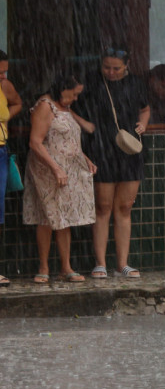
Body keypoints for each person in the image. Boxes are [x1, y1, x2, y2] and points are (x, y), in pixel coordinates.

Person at [77, 46, 148, 279]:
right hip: (101, 147)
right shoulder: (91, 81)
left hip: (129, 148)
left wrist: (143, 123)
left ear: (126, 65)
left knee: (125, 207)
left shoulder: (135, 83)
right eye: (106, 67)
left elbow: (145, 108)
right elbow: (65, 104)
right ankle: (100, 263)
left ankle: (122, 263)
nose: (110, 72)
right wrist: (86, 124)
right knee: (103, 206)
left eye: (116, 68)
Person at [23, 72, 97, 284]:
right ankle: (43, 266)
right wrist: (55, 168)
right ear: (63, 89)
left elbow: (69, 140)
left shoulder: (66, 107)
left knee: (64, 217)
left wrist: (85, 159)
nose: (75, 98)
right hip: (47, 169)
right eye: (74, 94)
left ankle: (66, 267)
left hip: (68, 169)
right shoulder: (45, 106)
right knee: (47, 216)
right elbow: (35, 142)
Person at [0, 50, 23, 287]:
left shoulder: (5, 86)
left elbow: (17, 103)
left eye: (5, 71)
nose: (2, 76)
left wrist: (5, 118)